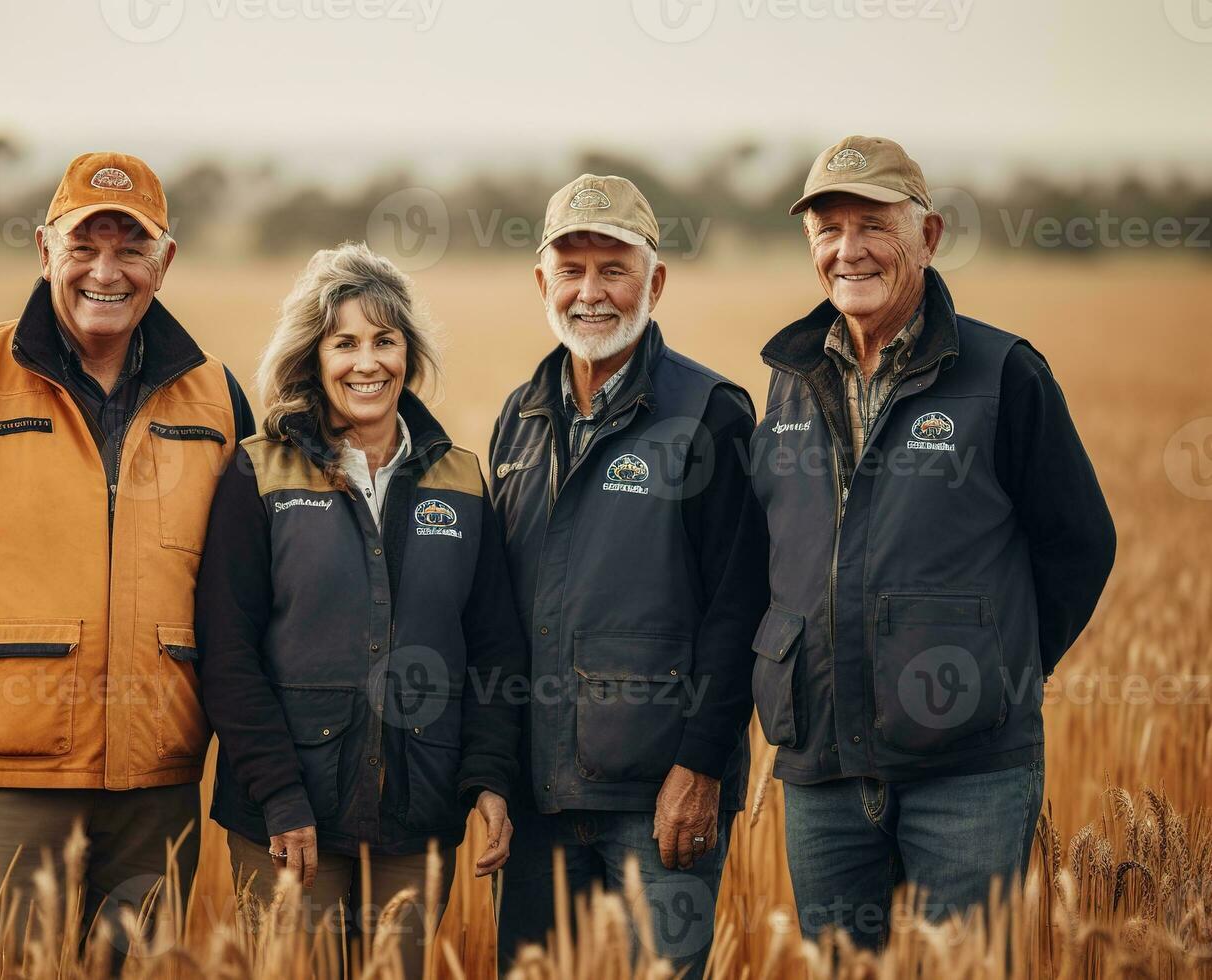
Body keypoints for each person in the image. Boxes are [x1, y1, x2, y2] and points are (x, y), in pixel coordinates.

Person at [0, 151, 255, 954]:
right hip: (9, 777)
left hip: (158, 783)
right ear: (45, 252)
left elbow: (248, 589)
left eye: (131, 248)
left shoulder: (217, 396)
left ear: (164, 262)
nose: (106, 271)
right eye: (84, 246)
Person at [752, 135, 1116, 948]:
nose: (848, 250)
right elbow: (780, 550)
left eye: (872, 224)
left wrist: (991, 661)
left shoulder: (1003, 374)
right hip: (822, 771)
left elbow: (1080, 544)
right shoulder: (788, 380)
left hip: (970, 775)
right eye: (827, 229)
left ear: (930, 234)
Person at [195, 241, 526, 977]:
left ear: (410, 353)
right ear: (313, 356)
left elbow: (496, 649)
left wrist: (491, 778)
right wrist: (279, 794)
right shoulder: (257, 473)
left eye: (385, 340)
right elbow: (226, 653)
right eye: (343, 343)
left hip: (419, 812)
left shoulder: (460, 478)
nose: (366, 362)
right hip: (287, 817)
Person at [490, 174, 769, 973]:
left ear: (656, 282)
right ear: (542, 281)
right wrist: (494, 775)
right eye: (571, 270)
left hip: (656, 804)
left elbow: (738, 607)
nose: (591, 293)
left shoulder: (709, 413)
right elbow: (500, 609)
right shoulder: (522, 415)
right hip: (538, 800)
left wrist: (701, 768)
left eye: (614, 268)